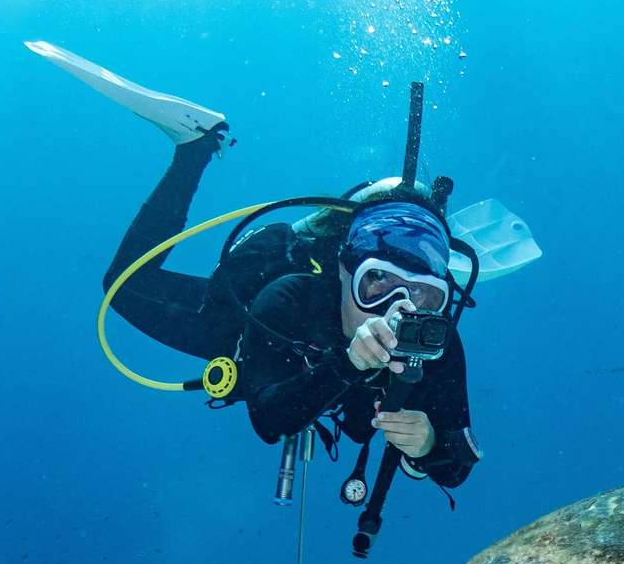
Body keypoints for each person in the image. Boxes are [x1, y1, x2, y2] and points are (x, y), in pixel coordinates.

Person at [96, 89, 483, 492]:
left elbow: (457, 466)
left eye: (422, 294)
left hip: (329, 386)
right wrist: (349, 363)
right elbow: (269, 420)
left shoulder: (432, 339)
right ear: (343, 270)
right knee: (123, 286)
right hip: (249, 338)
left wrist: (428, 444)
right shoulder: (291, 298)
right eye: (377, 281)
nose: (395, 310)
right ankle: (194, 149)